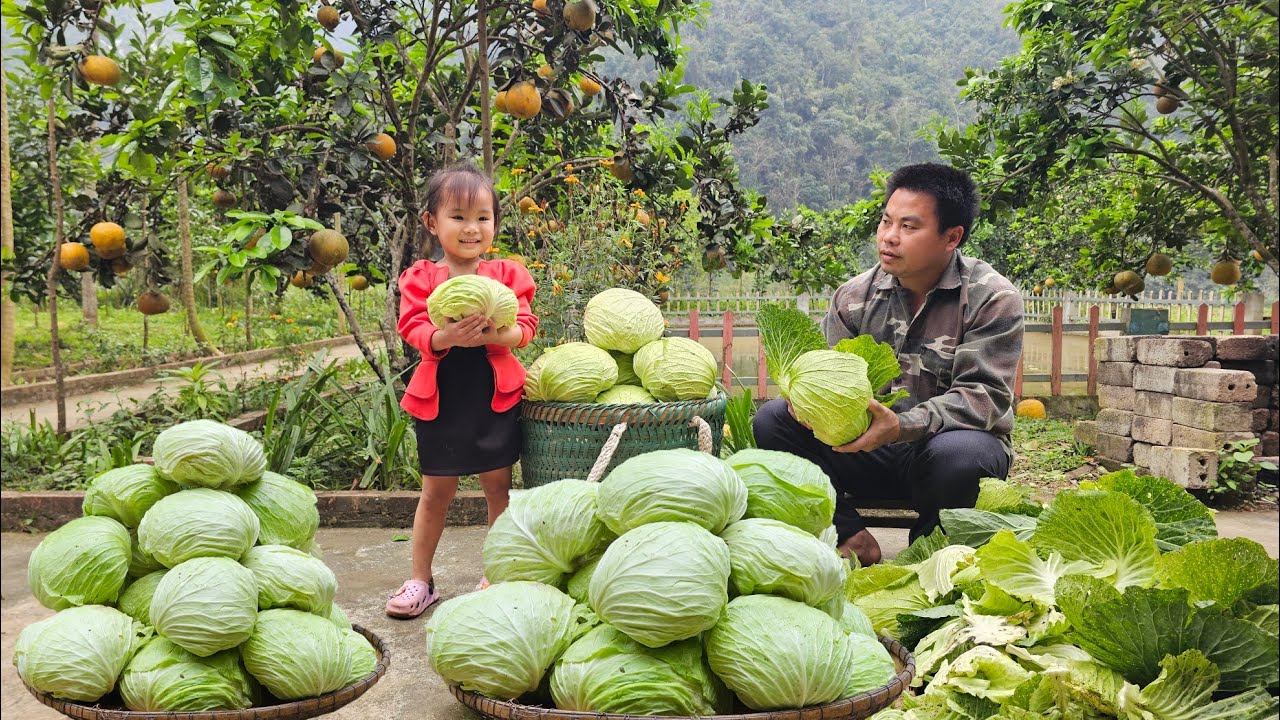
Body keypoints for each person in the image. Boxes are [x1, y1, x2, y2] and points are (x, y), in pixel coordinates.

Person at [753, 162, 1023, 566]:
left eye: (909, 227)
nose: (889, 237)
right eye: (886, 222)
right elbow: (823, 373)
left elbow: (983, 399)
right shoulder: (854, 296)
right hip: (863, 448)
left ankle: (929, 557)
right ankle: (849, 535)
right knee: (773, 419)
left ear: (952, 237)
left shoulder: (992, 297)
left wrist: (901, 427)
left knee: (966, 455)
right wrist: (805, 402)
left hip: (938, 452)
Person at [385, 164, 538, 618]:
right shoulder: (422, 278)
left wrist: (496, 333)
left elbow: (525, 328)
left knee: (498, 489)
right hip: (443, 396)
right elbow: (412, 327)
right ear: (432, 223)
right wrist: (446, 337)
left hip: (494, 394)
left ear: (494, 223)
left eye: (483, 217)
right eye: (458, 216)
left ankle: (496, 571)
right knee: (436, 492)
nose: (472, 228)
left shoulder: (508, 275)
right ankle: (420, 580)